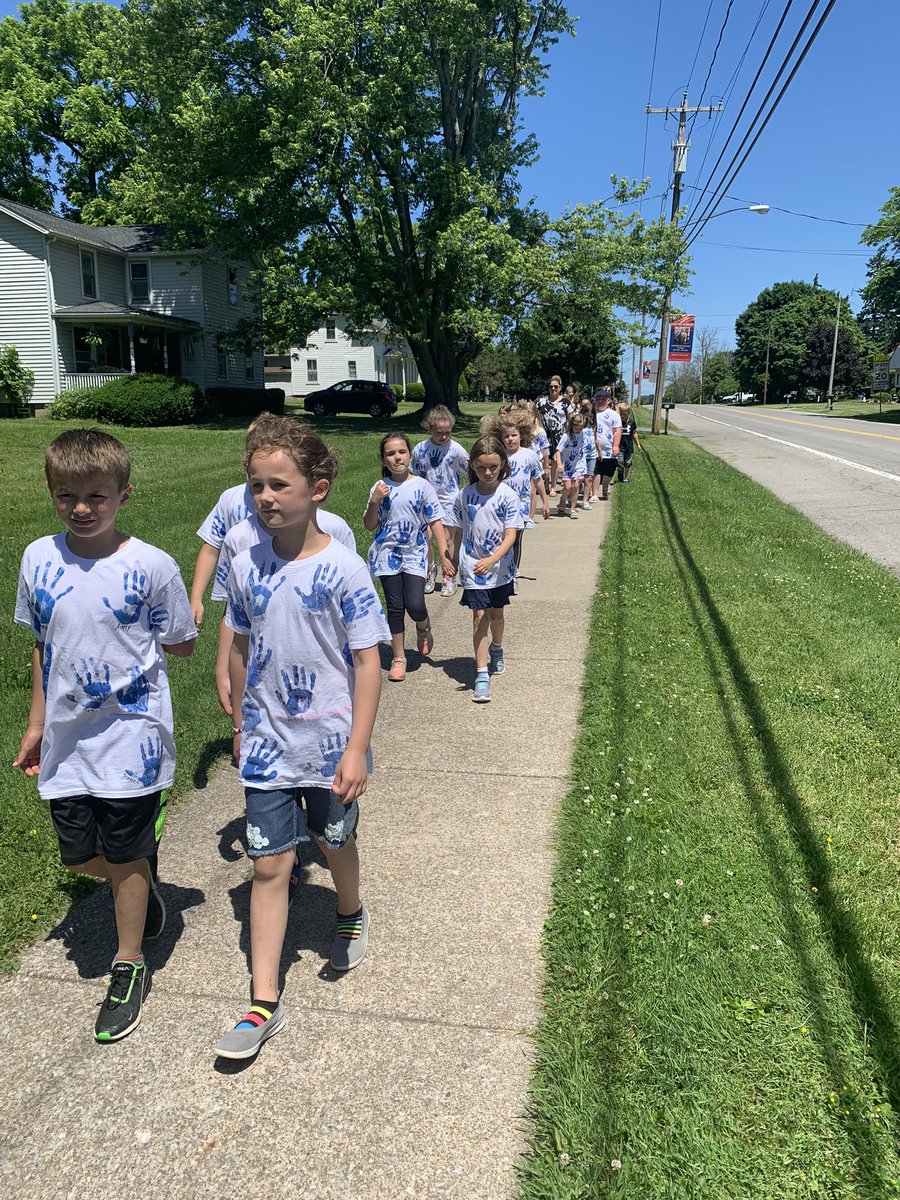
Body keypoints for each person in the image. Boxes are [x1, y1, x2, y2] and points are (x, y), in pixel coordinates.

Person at [13, 428, 196, 1042]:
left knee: (121, 851)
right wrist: (37, 723)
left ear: (124, 494)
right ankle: (139, 885)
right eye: (67, 496)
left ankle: (129, 962)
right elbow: (43, 646)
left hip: (131, 739)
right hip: (68, 739)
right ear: (51, 493)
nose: (82, 508)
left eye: (96, 495)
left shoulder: (150, 565)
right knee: (80, 855)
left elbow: (181, 641)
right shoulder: (38, 558)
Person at [216, 416, 389, 1060]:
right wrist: (238, 720)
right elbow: (239, 638)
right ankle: (262, 1003)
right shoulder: (243, 562)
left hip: (329, 742)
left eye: (278, 485)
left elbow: (368, 660)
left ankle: (349, 909)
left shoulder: (344, 569)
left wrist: (355, 748)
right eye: (256, 485)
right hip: (266, 741)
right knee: (269, 864)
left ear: (316, 489)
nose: (264, 497)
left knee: (335, 837)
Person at [364, 432, 453, 682]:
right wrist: (374, 502)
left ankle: (423, 626)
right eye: (390, 454)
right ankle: (399, 657)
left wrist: (444, 556)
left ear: (410, 455)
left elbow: (435, 521)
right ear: (384, 460)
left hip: (415, 554)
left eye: (401, 452)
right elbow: (370, 525)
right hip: (386, 555)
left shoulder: (422, 486)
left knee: (415, 604)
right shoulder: (379, 488)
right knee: (394, 607)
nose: (397, 457)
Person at [445, 435, 523, 703]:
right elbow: (455, 530)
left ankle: (497, 648)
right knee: (479, 616)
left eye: (493, 467)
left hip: (499, 568)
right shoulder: (464, 496)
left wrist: (492, 559)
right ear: (472, 467)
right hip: (473, 567)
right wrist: (450, 559)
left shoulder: (508, 496)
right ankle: (481, 674)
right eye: (481, 467)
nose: (488, 473)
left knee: (496, 615)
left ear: (502, 464)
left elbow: (511, 536)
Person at [409, 406, 468, 597]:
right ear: (430, 430)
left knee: (448, 538)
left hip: (449, 499)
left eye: (448, 432)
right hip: (426, 499)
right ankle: (430, 569)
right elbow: (413, 474)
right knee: (425, 537)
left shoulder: (456, 449)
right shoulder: (421, 449)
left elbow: (471, 470)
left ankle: (449, 576)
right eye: (439, 433)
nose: (444, 437)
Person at [493, 408, 549, 589]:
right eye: (506, 436)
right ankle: (500, 571)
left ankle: (513, 573)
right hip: (500, 505)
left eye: (513, 435)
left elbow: (538, 479)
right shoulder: (498, 455)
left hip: (522, 506)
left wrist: (545, 502)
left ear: (521, 436)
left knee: (515, 539)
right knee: (502, 540)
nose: (510, 439)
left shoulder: (530, 455)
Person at [536, 376, 567, 496]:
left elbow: (571, 417)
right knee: (544, 459)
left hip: (559, 435)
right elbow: (535, 414)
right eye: (551, 386)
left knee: (554, 461)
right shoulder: (542, 401)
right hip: (544, 434)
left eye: (556, 386)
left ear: (560, 387)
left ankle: (553, 487)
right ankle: (545, 484)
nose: (553, 388)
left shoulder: (565, 402)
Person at [555, 411, 589, 518]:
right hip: (567, 464)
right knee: (567, 487)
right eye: (576, 427)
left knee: (575, 485)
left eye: (580, 428)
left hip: (579, 464)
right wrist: (559, 464)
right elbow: (558, 451)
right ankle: (562, 501)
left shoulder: (583, 434)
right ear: (572, 425)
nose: (578, 430)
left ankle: (572, 509)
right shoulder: (566, 436)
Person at [592, 389, 622, 502]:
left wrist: (616, 446)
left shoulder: (613, 415)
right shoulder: (591, 413)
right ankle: (594, 494)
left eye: (602, 400)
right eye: (597, 400)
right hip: (593, 449)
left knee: (608, 472)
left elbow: (617, 431)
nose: (600, 402)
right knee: (596, 471)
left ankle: (605, 485)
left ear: (608, 401)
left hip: (609, 449)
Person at [616, 403, 643, 483]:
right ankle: (620, 471)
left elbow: (634, 433)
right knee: (619, 462)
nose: (623, 416)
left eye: (625, 414)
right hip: (619, 446)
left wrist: (638, 444)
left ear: (628, 413)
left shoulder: (631, 422)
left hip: (628, 447)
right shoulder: (617, 422)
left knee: (628, 463)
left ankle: (626, 478)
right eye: (621, 414)